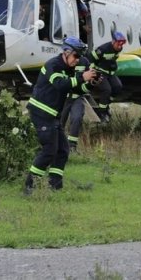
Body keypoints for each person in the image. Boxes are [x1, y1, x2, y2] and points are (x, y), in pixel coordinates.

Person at [24, 36, 97, 194]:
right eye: (76, 56)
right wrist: (80, 77)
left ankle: (55, 186)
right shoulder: (54, 65)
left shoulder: (68, 68)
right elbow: (60, 84)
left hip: (52, 116)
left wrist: (89, 84)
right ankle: (30, 187)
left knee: (63, 150)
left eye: (80, 57)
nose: (77, 60)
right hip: (41, 113)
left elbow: (74, 89)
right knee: (49, 151)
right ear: (66, 52)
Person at [90, 31, 126, 121]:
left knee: (118, 87)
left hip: (110, 73)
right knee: (107, 89)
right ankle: (102, 112)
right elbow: (90, 58)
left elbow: (113, 58)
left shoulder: (119, 49)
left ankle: (105, 104)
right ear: (113, 41)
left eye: (122, 44)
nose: (120, 46)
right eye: (118, 43)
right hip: (100, 72)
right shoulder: (102, 49)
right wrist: (93, 72)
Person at [60, 54, 92, 152]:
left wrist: (91, 84)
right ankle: (58, 145)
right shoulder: (60, 62)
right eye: (75, 55)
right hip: (63, 98)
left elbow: (87, 81)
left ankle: (72, 146)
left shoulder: (84, 62)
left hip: (78, 97)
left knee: (77, 118)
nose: (77, 59)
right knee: (59, 123)